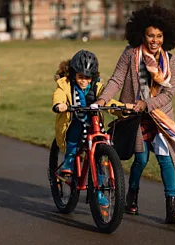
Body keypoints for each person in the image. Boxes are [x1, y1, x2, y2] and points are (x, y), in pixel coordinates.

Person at [94, 5, 175, 224]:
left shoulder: (173, 62)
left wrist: (146, 103)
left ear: (166, 36)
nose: (155, 40)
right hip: (134, 117)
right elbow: (116, 79)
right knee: (141, 159)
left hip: (160, 117)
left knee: (166, 160)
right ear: (141, 35)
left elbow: (168, 94)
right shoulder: (130, 54)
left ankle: (171, 207)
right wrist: (102, 100)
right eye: (150, 35)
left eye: (159, 36)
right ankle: (132, 197)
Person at [52, 50, 127, 208]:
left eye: (88, 77)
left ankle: (98, 191)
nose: (84, 81)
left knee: (99, 159)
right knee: (74, 131)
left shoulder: (98, 87)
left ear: (93, 77)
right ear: (73, 74)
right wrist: (60, 105)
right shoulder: (65, 85)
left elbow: (107, 101)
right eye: (80, 77)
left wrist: (122, 109)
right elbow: (59, 95)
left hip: (93, 124)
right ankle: (69, 160)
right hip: (74, 120)